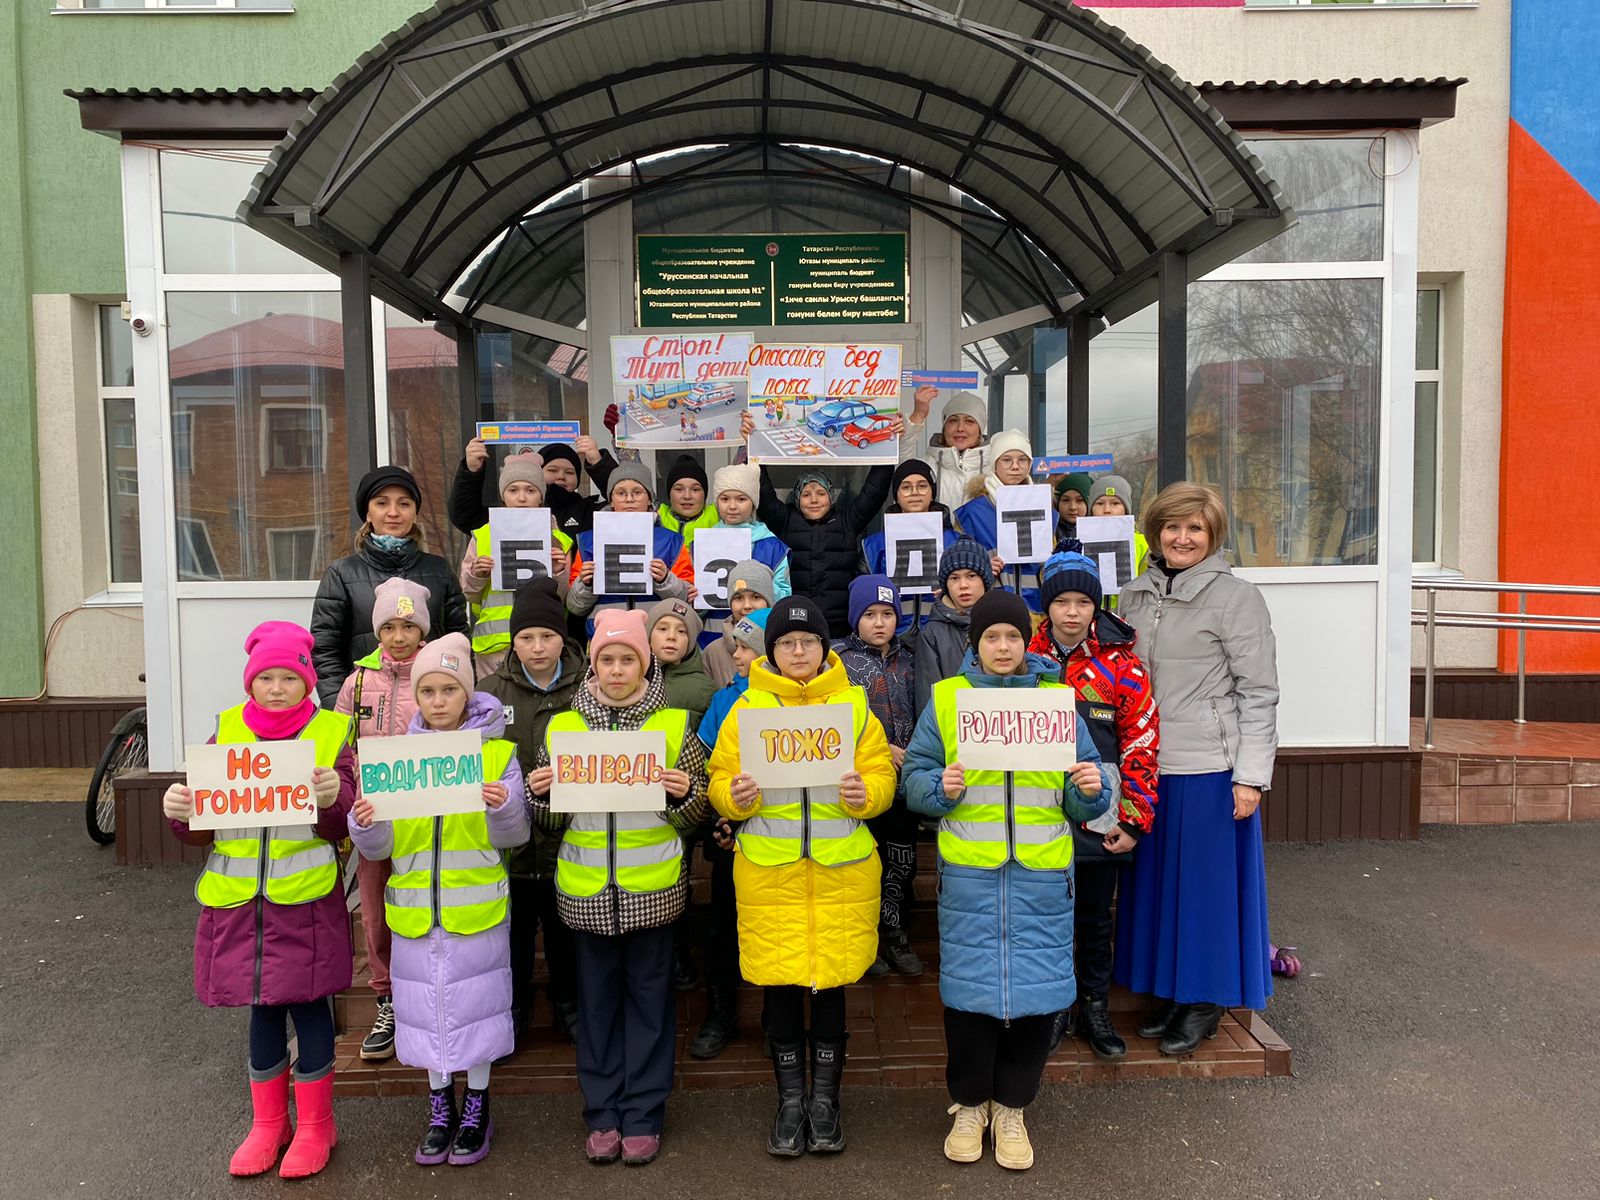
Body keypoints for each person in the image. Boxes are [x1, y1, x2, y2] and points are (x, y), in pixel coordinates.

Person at [902, 591, 1109, 1171]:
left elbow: (1084, 790)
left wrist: (1091, 788)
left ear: (1027, 642)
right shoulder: (949, 701)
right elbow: (914, 779)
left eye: (1012, 637)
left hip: (1042, 877)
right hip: (971, 877)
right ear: (975, 642)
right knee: (970, 998)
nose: (1001, 646)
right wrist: (939, 786)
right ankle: (970, 1105)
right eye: (991, 636)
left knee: (1038, 996)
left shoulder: (1057, 702)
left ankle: (1012, 1107)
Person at [161, 622, 355, 1179]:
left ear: (306, 681)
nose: (275, 688)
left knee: (310, 1007)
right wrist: (181, 811)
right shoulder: (226, 731)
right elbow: (204, 824)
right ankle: (269, 1125)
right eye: (265, 677)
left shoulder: (330, 731)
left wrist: (331, 798)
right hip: (240, 904)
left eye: (288, 677)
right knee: (262, 1008)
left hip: (305, 902)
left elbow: (346, 818)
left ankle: (317, 1126)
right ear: (250, 681)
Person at [707, 597, 896, 1157]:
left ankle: (825, 1103)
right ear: (771, 651)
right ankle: (791, 1101)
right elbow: (720, 779)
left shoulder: (855, 707)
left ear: (823, 647)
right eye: (787, 643)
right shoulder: (747, 710)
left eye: (807, 642)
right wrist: (733, 799)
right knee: (783, 988)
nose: (797, 652)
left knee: (832, 987)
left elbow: (881, 773)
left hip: (841, 872)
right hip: (772, 874)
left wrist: (870, 795)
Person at [527, 609, 710, 1167]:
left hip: (651, 891)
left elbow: (698, 813)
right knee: (598, 1007)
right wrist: (542, 794)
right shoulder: (564, 727)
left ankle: (645, 1112)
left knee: (651, 1008)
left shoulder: (674, 726)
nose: (616, 668)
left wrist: (683, 796)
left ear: (645, 663)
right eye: (607, 658)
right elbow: (549, 825)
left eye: (627, 658)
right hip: (585, 897)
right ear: (592, 664)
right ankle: (602, 1111)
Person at [348, 632, 527, 1167]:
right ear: (417, 698)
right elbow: (382, 845)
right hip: (415, 916)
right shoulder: (396, 760)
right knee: (428, 1016)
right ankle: (440, 1109)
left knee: (476, 1016)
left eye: (450, 689)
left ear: (467, 695)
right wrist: (364, 825)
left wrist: (501, 808)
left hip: (476, 914)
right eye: (428, 691)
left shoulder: (495, 756)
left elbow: (513, 835)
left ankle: (476, 1108)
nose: (439, 700)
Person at [1113, 482, 1280, 1056]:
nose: (1182, 538)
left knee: (1204, 892)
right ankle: (1171, 993)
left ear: (1211, 537)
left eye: (1195, 529)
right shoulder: (1132, 596)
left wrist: (1251, 777)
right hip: (1146, 765)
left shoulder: (1237, 599)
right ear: (1155, 532)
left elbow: (1259, 693)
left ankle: (1205, 999)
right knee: (1158, 886)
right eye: (1172, 527)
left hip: (1209, 766)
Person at [1028, 550, 1160, 1060]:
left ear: (1096, 604)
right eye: (1061, 601)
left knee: (1094, 919)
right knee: (1048, 917)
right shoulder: (1024, 659)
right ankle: (1057, 1007)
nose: (1072, 612)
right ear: (1048, 606)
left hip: (1100, 815)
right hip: (1038, 813)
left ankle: (1095, 1007)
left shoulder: (1121, 665)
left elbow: (1141, 743)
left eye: (1084, 601)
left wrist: (1133, 818)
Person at [477, 578, 584, 1049]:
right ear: (512, 641)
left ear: (564, 637)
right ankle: (516, 1008)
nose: (537, 647)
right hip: (511, 846)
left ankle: (567, 1003)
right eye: (525, 637)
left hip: (568, 840)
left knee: (565, 934)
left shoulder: (588, 686)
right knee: (514, 937)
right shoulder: (487, 693)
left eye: (546, 636)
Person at [333, 577, 430, 1064]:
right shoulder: (357, 682)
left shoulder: (436, 672)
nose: (398, 636)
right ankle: (387, 999)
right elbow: (341, 750)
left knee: (424, 906)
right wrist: (351, 798)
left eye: (408, 626)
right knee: (375, 913)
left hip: (426, 820)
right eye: (389, 626)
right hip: (374, 817)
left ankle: (423, 1000)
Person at [686, 607, 772, 1061]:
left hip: (776, 835)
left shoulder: (789, 701)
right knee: (722, 926)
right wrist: (722, 819)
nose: (735, 654)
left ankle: (778, 1019)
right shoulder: (725, 699)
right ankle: (720, 1012)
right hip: (727, 832)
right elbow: (705, 765)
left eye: (743, 646)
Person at [311, 465, 470, 708]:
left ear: (415, 512)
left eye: (404, 504)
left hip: (432, 712)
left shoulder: (439, 571)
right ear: (367, 513)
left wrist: (459, 703)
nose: (393, 512)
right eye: (382, 503)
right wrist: (341, 711)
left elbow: (459, 641)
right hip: (366, 713)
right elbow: (325, 652)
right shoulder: (341, 574)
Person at [832, 576, 922, 978]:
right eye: (870, 614)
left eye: (887, 614)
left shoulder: (911, 657)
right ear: (855, 618)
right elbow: (829, 723)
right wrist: (879, 748)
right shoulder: (837, 661)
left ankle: (895, 931)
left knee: (900, 862)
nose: (880, 622)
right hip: (860, 784)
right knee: (863, 863)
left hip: (903, 785)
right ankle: (865, 937)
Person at [458, 451, 573, 678]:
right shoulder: (483, 536)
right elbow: (468, 593)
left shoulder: (558, 539)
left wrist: (558, 571)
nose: (521, 498)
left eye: (530, 490)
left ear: (541, 497)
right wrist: (477, 573)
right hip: (494, 645)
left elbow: (563, 597)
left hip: (540, 644)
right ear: (503, 496)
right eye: (513, 490)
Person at [756, 463, 893, 638]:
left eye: (821, 493)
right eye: (806, 494)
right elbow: (763, 494)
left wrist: (885, 455)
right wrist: (753, 453)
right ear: (797, 497)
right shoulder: (785, 520)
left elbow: (874, 493)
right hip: (797, 623)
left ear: (831, 496)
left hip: (840, 628)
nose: (814, 500)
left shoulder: (847, 522)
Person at [565, 464, 694, 631]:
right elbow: (575, 607)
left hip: (656, 638)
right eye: (620, 493)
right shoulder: (589, 542)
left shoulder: (671, 541)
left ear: (650, 499)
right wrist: (586, 584)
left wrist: (665, 580)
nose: (629, 499)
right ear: (611, 500)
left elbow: (687, 600)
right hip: (607, 639)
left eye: (637, 492)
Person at [860, 459, 959, 639]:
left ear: (932, 493)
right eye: (906, 487)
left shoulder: (956, 542)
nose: (914, 493)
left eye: (922, 486)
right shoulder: (873, 546)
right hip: (892, 638)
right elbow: (863, 597)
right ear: (896, 495)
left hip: (945, 634)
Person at [450, 436, 616, 541]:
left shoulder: (588, 512)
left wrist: (598, 463)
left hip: (574, 594)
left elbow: (626, 504)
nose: (561, 476)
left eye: (570, 472)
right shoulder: (506, 514)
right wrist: (471, 471)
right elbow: (464, 516)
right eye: (552, 470)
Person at [698, 463, 792, 648]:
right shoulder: (702, 543)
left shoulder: (772, 545)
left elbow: (784, 593)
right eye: (725, 499)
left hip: (761, 638)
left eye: (741, 499)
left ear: (753, 503)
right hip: (711, 637)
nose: (732, 506)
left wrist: (758, 592)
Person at [952, 429, 1044, 613]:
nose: (1015, 466)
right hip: (990, 609)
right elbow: (956, 563)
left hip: (1037, 613)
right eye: (1007, 460)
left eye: (1022, 460)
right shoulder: (972, 513)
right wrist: (980, 565)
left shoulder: (1045, 508)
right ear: (994, 464)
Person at [913, 538, 993, 714]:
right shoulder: (932, 634)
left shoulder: (1001, 623)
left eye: (971, 576)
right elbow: (928, 700)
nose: (963, 585)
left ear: (985, 580)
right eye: (954, 578)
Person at [905, 392, 991, 510]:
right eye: (953, 421)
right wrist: (918, 415)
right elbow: (900, 461)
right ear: (944, 428)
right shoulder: (925, 466)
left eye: (969, 421)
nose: (960, 428)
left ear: (980, 430)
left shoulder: (995, 469)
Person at [701, 558, 776, 688]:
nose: (747, 606)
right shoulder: (712, 653)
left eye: (756, 597)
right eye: (738, 598)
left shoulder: (783, 647)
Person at [1084, 474, 1151, 587]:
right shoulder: (1079, 543)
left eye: (1115, 503)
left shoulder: (1143, 545)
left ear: (1126, 509)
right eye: (1100, 503)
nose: (1107, 510)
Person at [658, 454, 719, 545]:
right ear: (669, 494)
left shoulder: (718, 515)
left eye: (695, 489)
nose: (687, 496)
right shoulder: (657, 519)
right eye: (679, 489)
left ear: (705, 494)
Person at [1052, 473, 1091, 546]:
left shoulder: (1097, 531)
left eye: (1080, 500)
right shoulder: (1050, 532)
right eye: (1066, 500)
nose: (1072, 507)